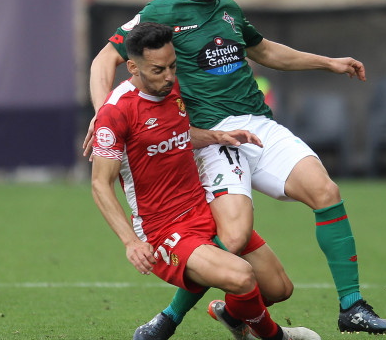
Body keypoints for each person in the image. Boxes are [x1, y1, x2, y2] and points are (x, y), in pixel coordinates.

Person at [85, 0, 386, 336]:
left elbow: (266, 51)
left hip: (257, 125)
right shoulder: (160, 11)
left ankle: (352, 307)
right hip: (211, 137)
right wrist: (104, 111)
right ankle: (170, 318)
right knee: (232, 240)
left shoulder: (228, 9)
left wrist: (329, 62)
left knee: (326, 191)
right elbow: (105, 59)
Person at [90, 22, 320, 340]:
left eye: (173, 66)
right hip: (164, 231)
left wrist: (217, 136)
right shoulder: (116, 113)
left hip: (204, 210)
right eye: (158, 70)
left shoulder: (173, 88)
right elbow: (101, 183)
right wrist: (131, 242)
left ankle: (230, 315)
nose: (169, 76)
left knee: (280, 288)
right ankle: (275, 337)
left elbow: (178, 133)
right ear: (132, 67)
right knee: (241, 277)